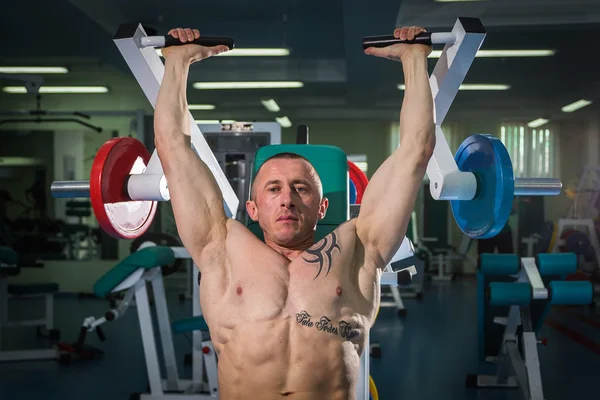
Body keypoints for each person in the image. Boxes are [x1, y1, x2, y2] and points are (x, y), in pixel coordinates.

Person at [154, 25, 435, 400]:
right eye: (274, 189)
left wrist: (414, 58)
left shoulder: (359, 250)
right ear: (252, 208)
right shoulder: (221, 249)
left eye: (300, 188)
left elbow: (417, 151)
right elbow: (172, 148)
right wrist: (177, 61)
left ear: (323, 207)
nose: (286, 199)